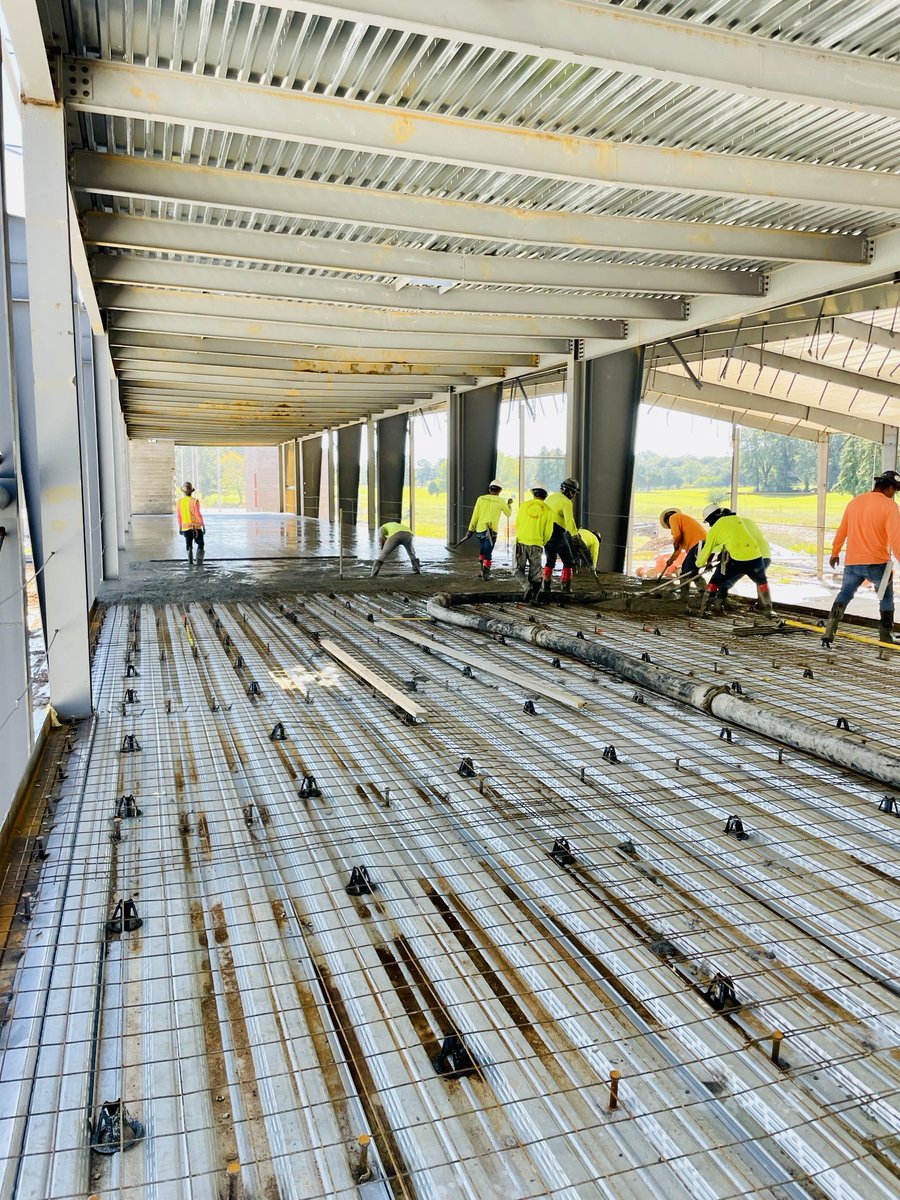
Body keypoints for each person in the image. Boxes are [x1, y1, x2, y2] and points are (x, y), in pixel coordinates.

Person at [824, 468, 900, 646]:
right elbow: (895, 538)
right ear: (889, 488)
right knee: (886, 597)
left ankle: (829, 630)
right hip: (877, 564)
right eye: (895, 490)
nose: (894, 494)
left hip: (852, 563)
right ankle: (886, 635)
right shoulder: (889, 506)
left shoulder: (854, 502)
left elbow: (842, 530)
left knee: (845, 593)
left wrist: (835, 552)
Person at [695, 503, 774, 617]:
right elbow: (736, 539)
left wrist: (699, 563)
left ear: (710, 519)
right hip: (756, 557)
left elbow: (708, 549)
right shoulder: (736, 519)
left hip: (738, 559)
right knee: (762, 582)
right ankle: (768, 611)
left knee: (716, 580)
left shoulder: (716, 528)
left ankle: (703, 611)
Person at [514, 486, 556, 603]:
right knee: (536, 573)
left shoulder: (524, 505)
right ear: (544, 497)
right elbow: (549, 531)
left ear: (534, 495)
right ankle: (534, 598)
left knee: (517, 569)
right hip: (537, 544)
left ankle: (526, 587)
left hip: (522, 541)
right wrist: (542, 542)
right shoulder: (548, 510)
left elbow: (517, 523)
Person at [467, 479, 514, 580]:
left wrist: (470, 530)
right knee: (488, 553)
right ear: (500, 490)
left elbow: (475, 515)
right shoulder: (501, 501)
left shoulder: (481, 499)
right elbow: (508, 514)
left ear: (489, 489)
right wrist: (509, 505)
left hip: (480, 530)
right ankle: (486, 574)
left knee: (483, 549)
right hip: (491, 531)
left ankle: (481, 571)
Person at [543, 477, 579, 594]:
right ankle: (566, 588)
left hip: (546, 533)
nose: (573, 495)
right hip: (558, 533)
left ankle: (546, 587)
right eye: (573, 492)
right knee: (568, 562)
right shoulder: (566, 502)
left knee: (550, 560)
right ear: (568, 491)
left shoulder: (551, 497)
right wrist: (574, 535)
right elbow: (569, 521)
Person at [659, 507, 706, 595]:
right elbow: (678, 549)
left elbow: (677, 536)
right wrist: (671, 560)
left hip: (698, 544)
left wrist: (675, 544)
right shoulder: (682, 522)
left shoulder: (673, 518)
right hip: (702, 544)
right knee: (692, 571)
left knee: (685, 571)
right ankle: (704, 591)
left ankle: (684, 594)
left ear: (667, 521)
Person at [176, 482, 205, 564]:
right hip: (196, 527)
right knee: (200, 544)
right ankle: (199, 563)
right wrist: (203, 525)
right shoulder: (195, 501)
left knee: (188, 545)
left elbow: (179, 516)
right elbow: (198, 514)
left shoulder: (179, 502)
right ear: (191, 491)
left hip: (185, 527)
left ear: (183, 492)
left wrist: (180, 527)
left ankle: (190, 562)